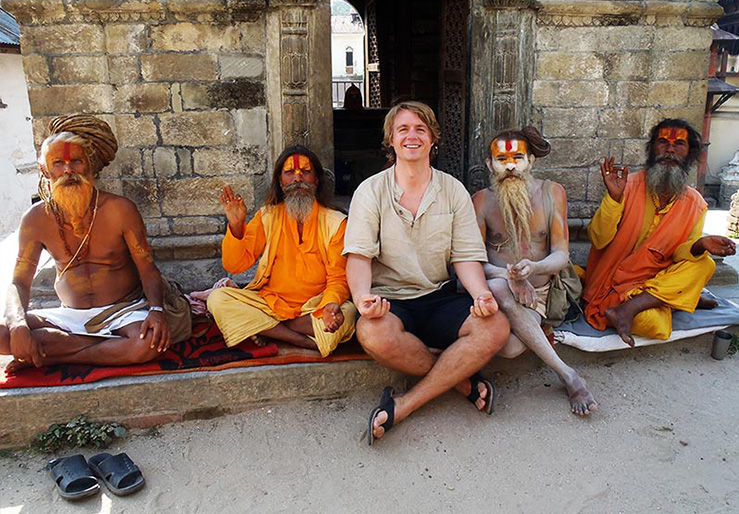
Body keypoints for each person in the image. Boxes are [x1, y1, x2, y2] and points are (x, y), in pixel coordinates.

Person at [343, 101, 510, 445]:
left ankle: (403, 405)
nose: (412, 136)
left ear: (433, 138)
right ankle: (461, 380)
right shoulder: (370, 191)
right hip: (391, 301)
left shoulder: (452, 191)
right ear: (390, 139)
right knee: (372, 334)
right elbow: (358, 257)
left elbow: (465, 256)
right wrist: (362, 299)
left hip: (439, 296)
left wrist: (481, 295)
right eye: (403, 129)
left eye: (420, 129)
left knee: (495, 327)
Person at [0, 115, 191, 373]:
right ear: (45, 171)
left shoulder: (120, 210)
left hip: (123, 311)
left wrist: (156, 310)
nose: (68, 170)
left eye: (76, 161)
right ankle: (84, 348)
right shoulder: (36, 219)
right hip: (70, 315)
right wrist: (18, 325)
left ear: (91, 167)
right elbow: (19, 282)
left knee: (146, 344)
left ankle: (52, 354)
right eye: (58, 163)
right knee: (3, 335)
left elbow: (147, 269)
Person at [472, 126, 597, 416]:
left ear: (531, 161)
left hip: (539, 295)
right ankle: (568, 374)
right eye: (502, 160)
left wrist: (534, 268)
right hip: (496, 289)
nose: (511, 166)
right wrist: (510, 277)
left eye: (518, 157)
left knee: (512, 348)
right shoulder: (481, 200)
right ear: (491, 165)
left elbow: (561, 255)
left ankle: (544, 345)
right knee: (503, 294)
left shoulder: (552, 193)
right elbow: (473, 263)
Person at [584, 119, 737, 346]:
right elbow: (598, 239)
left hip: (655, 283)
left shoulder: (695, 203)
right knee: (656, 325)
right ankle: (677, 299)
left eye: (679, 145)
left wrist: (700, 245)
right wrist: (614, 200)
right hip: (614, 286)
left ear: (690, 154)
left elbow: (680, 256)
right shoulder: (626, 186)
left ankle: (637, 307)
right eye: (663, 142)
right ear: (652, 149)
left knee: (706, 264)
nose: (669, 150)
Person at [207, 146, 355, 357]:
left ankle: (273, 330)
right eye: (289, 173)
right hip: (271, 303)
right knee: (217, 299)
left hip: (315, 306)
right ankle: (303, 340)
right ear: (280, 181)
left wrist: (331, 306)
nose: (297, 178)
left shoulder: (335, 222)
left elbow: (338, 279)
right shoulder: (268, 216)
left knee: (347, 315)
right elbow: (235, 265)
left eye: (305, 171)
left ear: (317, 180)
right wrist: (237, 227)